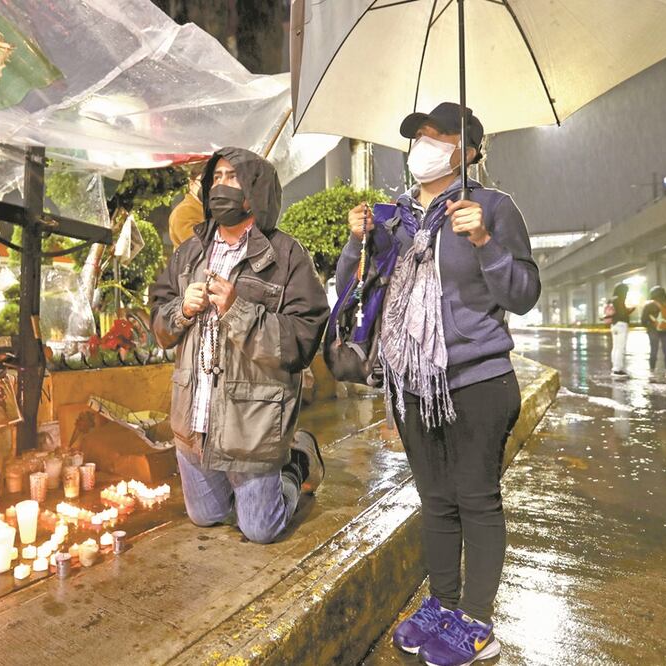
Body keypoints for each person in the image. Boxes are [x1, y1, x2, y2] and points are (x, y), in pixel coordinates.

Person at [337, 102, 540, 665]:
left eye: (438, 136)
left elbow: (523, 293)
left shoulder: (493, 208)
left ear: (468, 151)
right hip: (414, 383)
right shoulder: (395, 218)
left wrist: (484, 243)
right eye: (418, 136)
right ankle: (443, 604)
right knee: (436, 502)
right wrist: (358, 242)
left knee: (476, 500)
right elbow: (355, 290)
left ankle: (476, 622)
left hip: (478, 379)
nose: (422, 145)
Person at [149, 147, 329, 544]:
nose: (220, 186)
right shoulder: (188, 252)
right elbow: (159, 325)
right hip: (194, 421)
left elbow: (302, 338)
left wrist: (237, 309)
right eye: (216, 178)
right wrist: (181, 309)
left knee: (261, 530)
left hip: (251, 426)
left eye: (233, 177)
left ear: (255, 191)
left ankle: (295, 461)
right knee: (206, 516)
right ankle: (235, 488)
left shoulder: (286, 256)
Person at [641, 285, 666, 380]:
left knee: (653, 351)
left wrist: (649, 327)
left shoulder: (650, 305)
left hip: (653, 330)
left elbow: (643, 319)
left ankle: (652, 372)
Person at [168, 165, 205, 248]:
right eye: (202, 181)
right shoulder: (183, 212)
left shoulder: (208, 208)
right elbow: (197, 246)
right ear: (191, 184)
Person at [605, 284, 635, 377]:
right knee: (620, 348)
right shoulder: (619, 300)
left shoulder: (611, 300)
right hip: (621, 325)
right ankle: (617, 370)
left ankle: (615, 367)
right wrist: (630, 310)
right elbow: (622, 314)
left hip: (614, 325)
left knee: (615, 347)